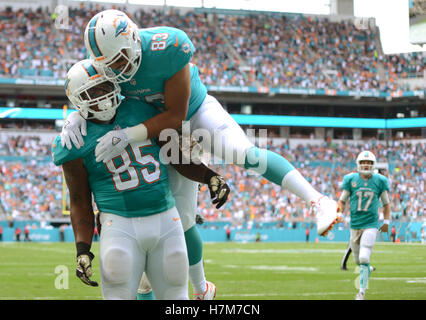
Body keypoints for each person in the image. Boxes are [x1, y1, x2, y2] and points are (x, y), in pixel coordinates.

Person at [60, 10, 339, 244]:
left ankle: (317, 200)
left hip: (194, 113)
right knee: (179, 221)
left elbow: (176, 115)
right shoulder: (107, 66)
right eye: (109, 65)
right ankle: (202, 288)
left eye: (120, 59)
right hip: (160, 134)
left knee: (244, 154)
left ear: (133, 39)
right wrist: (76, 115)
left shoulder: (167, 46)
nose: (118, 69)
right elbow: (88, 87)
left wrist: (127, 135)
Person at [52, 59, 230, 300]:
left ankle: (200, 288)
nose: (103, 96)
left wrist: (209, 176)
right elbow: (80, 199)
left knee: (177, 298)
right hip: (119, 224)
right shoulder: (74, 141)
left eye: (105, 87)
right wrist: (83, 249)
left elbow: (176, 156)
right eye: (93, 92)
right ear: (78, 99)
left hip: (167, 218)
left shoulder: (138, 110)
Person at [337, 151, 391, 300]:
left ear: (373, 165)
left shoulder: (379, 180)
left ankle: (361, 293)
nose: (365, 165)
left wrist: (386, 222)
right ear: (358, 164)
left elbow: (386, 204)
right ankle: (368, 269)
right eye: (363, 162)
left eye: (368, 163)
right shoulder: (351, 179)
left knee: (364, 257)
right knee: (357, 261)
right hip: (355, 225)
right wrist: (340, 213)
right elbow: (342, 201)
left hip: (370, 224)